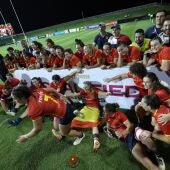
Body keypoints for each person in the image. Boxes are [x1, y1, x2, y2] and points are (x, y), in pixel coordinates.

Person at [12, 86, 85, 145]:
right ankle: (74, 113)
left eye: (15, 99)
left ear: (22, 98)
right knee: (56, 127)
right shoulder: (36, 92)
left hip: (64, 114)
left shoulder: (33, 110)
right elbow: (52, 90)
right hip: (64, 104)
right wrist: (59, 96)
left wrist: (26, 137)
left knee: (64, 132)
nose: (14, 101)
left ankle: (80, 135)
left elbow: (38, 129)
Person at [103, 103, 160, 170]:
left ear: (109, 111)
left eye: (104, 111)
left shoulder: (120, 114)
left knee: (146, 138)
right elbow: (109, 124)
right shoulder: (107, 117)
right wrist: (108, 129)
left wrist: (122, 133)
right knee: (141, 158)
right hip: (128, 138)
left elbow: (130, 126)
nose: (103, 112)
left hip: (133, 131)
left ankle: (157, 155)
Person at [66, 81, 110, 151]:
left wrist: (106, 93)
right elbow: (77, 94)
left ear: (90, 86)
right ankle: (79, 134)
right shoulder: (83, 90)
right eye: (84, 86)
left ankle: (96, 140)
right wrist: (66, 95)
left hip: (95, 109)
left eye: (86, 86)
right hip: (86, 108)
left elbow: (101, 93)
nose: (85, 88)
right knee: (74, 121)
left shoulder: (94, 90)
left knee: (94, 124)